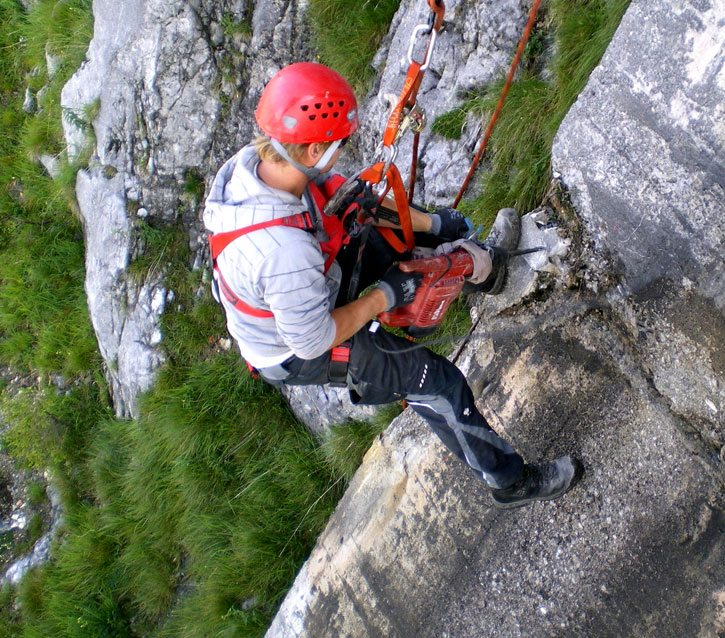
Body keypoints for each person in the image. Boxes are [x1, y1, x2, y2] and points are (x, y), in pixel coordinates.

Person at [203, 62, 580, 508]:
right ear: (309, 152)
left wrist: (431, 223)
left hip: (306, 280)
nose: (341, 151)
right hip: (293, 347)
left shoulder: (255, 167)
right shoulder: (281, 252)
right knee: (435, 382)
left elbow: (347, 198)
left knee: (403, 233)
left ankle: (486, 270)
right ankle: (509, 482)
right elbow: (312, 339)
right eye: (337, 144)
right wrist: (386, 295)